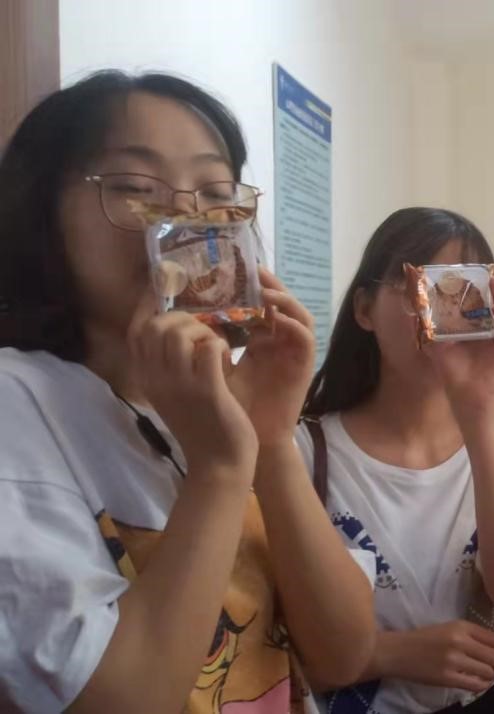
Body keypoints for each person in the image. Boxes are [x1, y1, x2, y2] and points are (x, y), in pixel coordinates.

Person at [0, 71, 376, 713]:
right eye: (134, 188)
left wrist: (270, 440)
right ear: (40, 212)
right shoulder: (20, 401)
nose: (184, 220)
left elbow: (343, 655)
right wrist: (221, 469)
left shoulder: (223, 395)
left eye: (218, 197)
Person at [297, 207, 494, 714]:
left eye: (463, 292)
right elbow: (262, 640)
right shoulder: (301, 451)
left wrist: (479, 410)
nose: (436, 312)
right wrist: (391, 654)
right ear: (364, 310)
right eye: (416, 287)